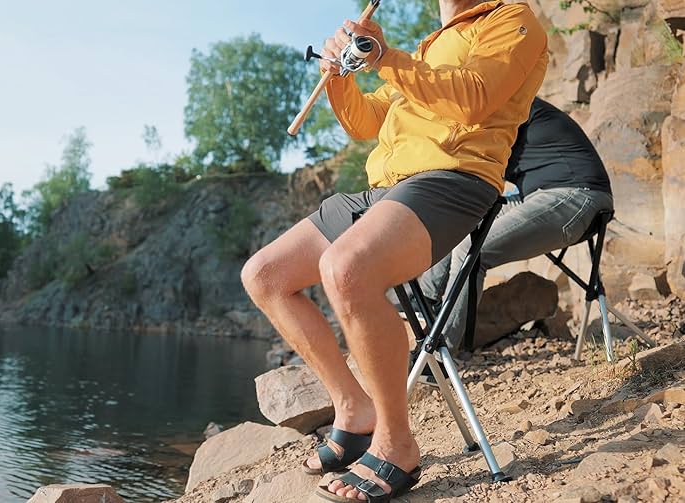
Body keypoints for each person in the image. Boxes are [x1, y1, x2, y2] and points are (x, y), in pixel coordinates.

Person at [240, 0, 548, 501]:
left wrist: (386, 56)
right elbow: (367, 122)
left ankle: (396, 443)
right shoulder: (431, 44)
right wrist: (339, 73)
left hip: (453, 179)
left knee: (346, 269)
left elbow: (474, 99)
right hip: (387, 188)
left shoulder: (511, 20)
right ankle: (352, 409)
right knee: (265, 275)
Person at [418, 97, 614, 360]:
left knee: (473, 249)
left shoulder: (506, 104)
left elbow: (464, 166)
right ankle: (423, 300)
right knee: (463, 216)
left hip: (578, 194)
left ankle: (439, 354)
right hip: (540, 194)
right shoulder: (489, 109)